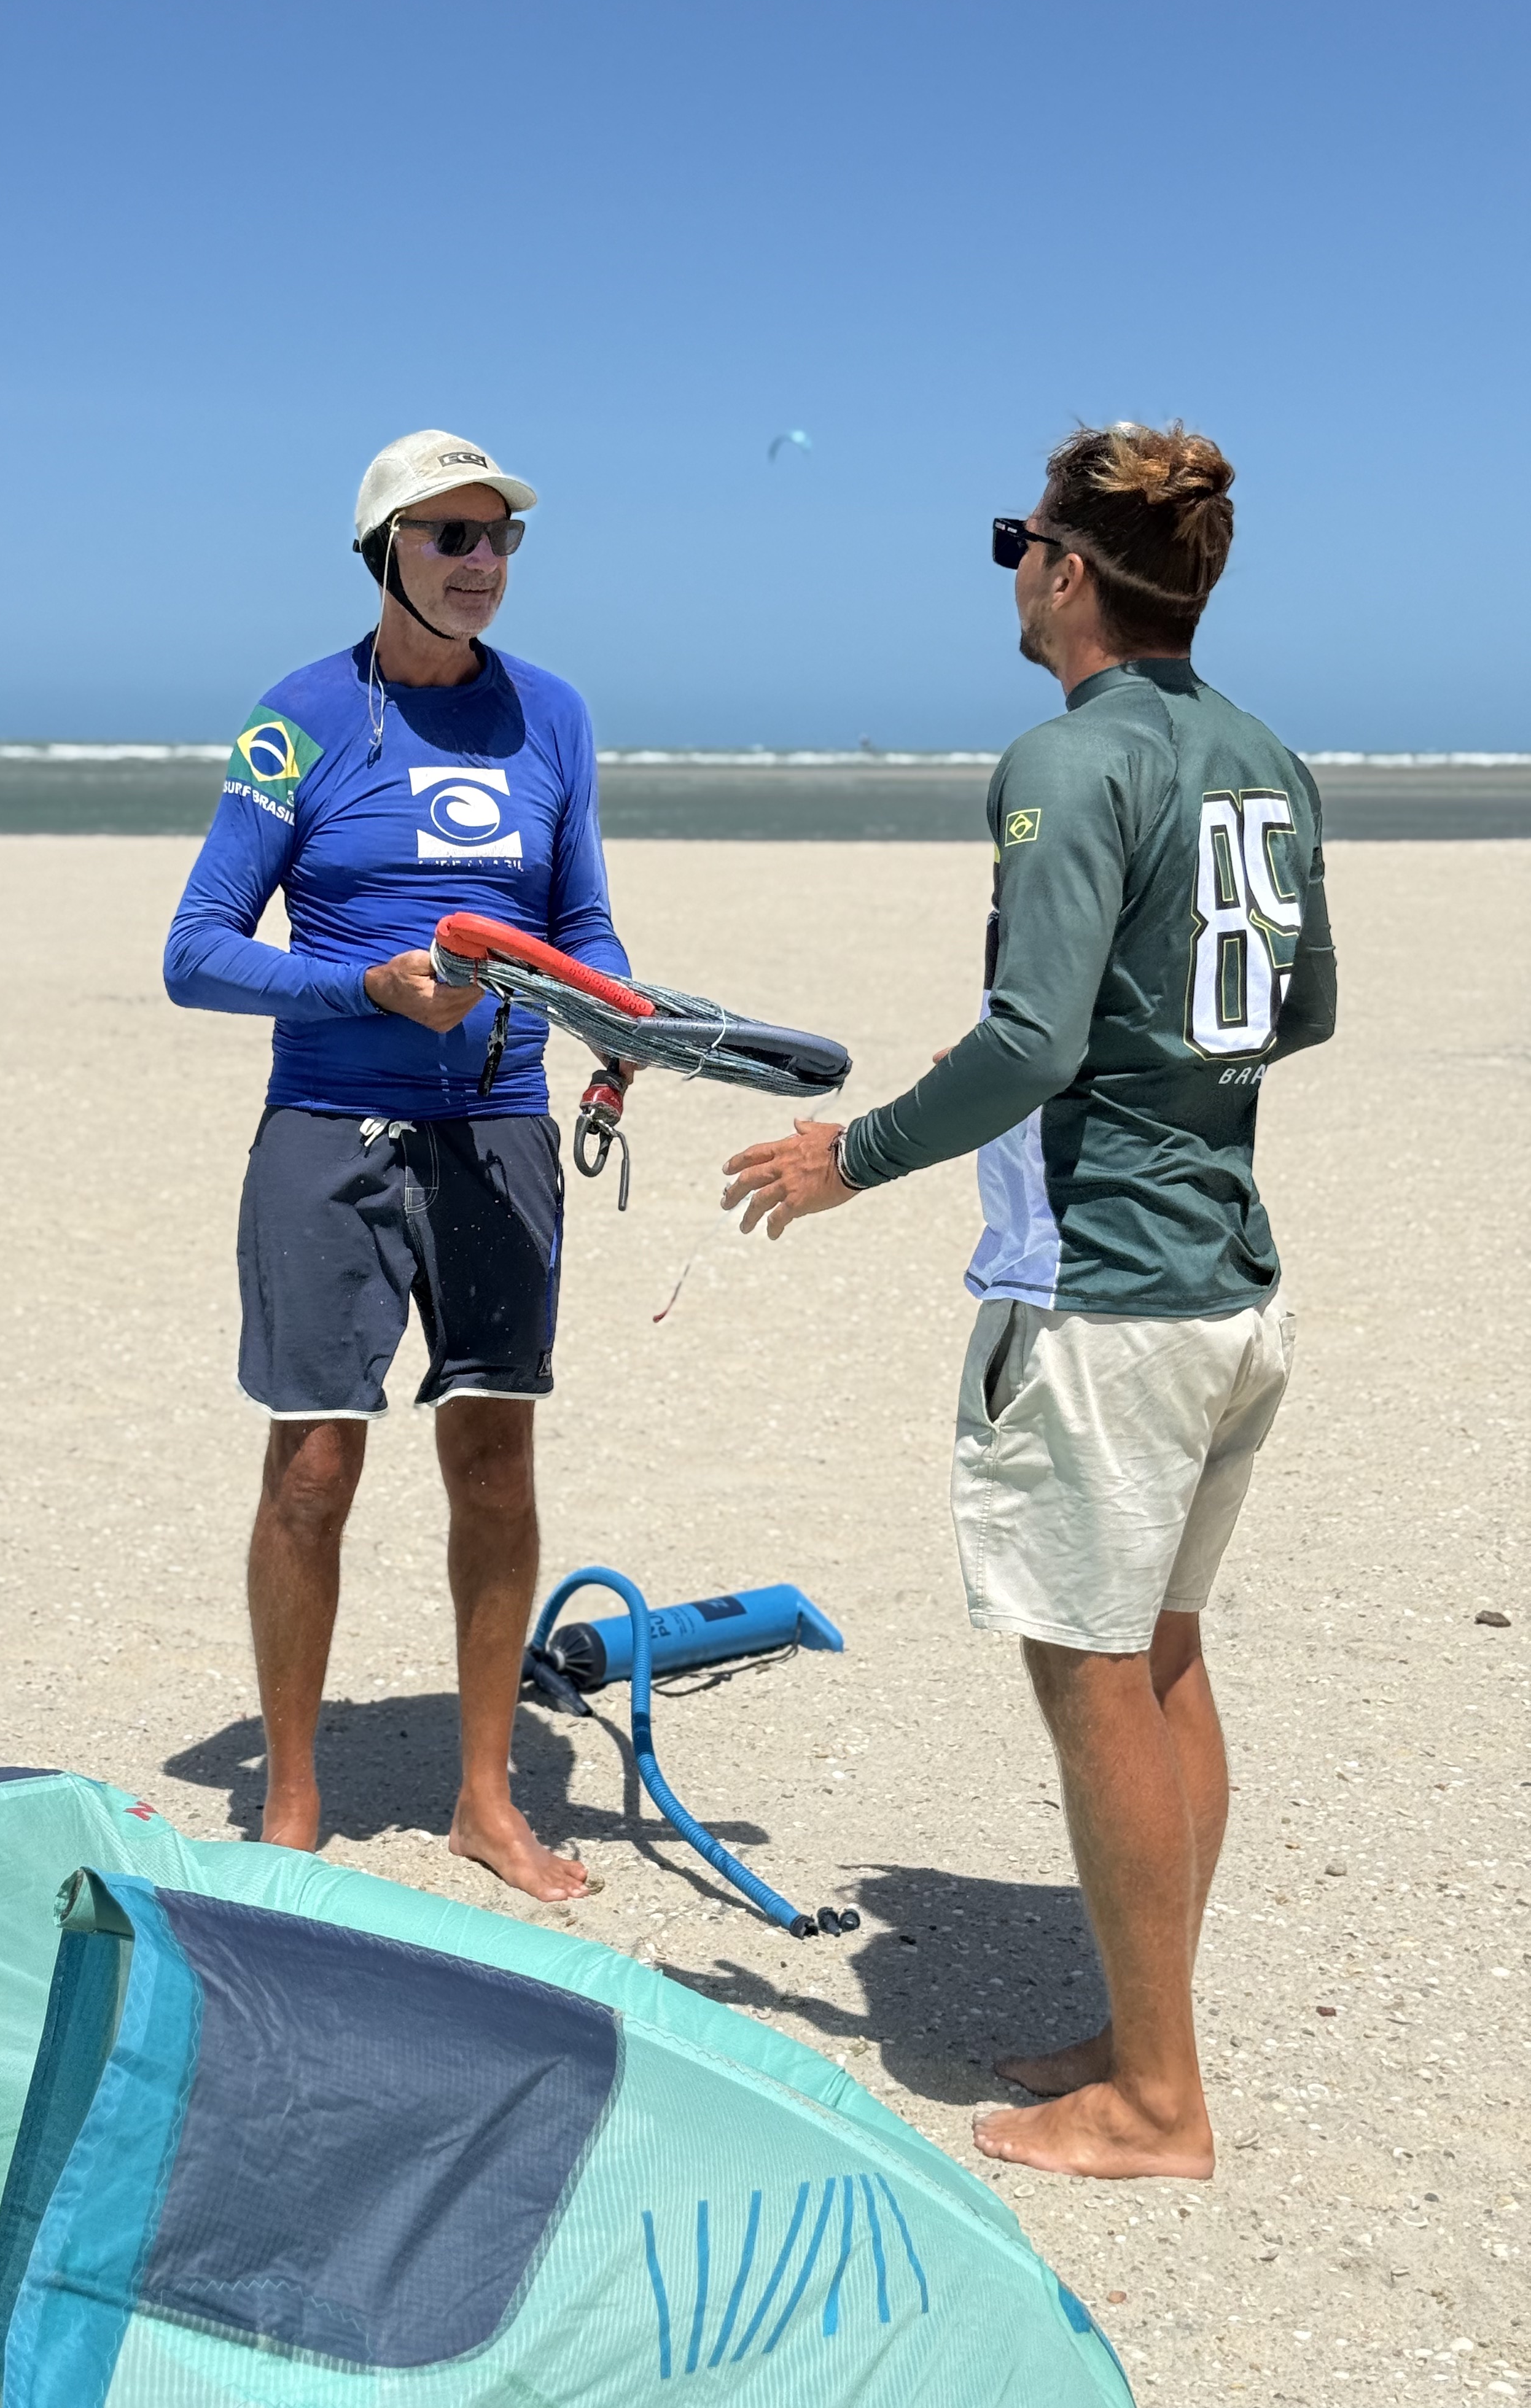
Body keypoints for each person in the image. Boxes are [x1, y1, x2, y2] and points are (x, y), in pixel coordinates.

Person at [720, 422, 1337, 2179]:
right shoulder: (1267, 759)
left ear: (1070, 569)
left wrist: (859, 1153)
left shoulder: (1066, 760)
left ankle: (1158, 2102)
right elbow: (1292, 1012)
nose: (1015, 566)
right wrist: (1131, 1065)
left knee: (1092, 1673)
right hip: (1228, 1276)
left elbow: (1033, 1041)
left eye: (1022, 538)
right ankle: (1153, 2034)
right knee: (1166, 1651)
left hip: (1109, 1297)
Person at [164, 428, 632, 1902]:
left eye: (498, 539)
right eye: (450, 538)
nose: (482, 563)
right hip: (328, 1135)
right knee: (314, 1467)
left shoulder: (551, 716)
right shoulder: (296, 719)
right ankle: (291, 1803)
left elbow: (586, 925)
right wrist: (359, 990)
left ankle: (486, 1800)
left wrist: (617, 1024)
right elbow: (195, 954)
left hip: (499, 1130)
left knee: (494, 1466)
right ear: (386, 556)